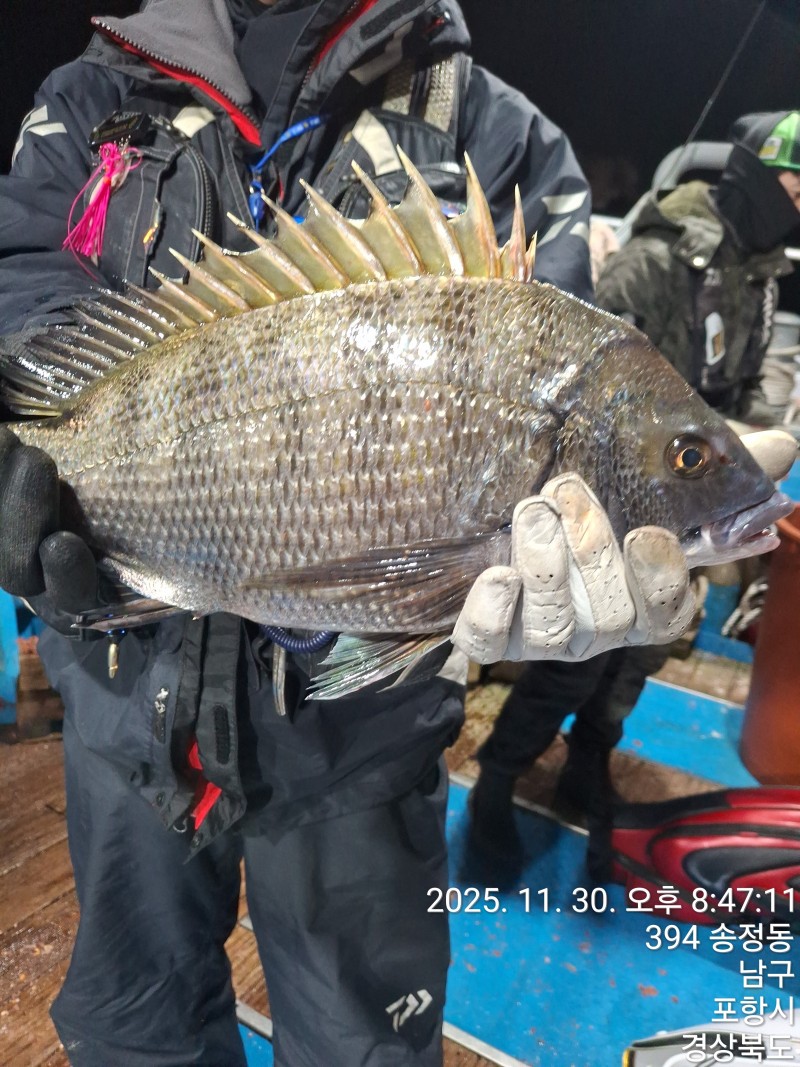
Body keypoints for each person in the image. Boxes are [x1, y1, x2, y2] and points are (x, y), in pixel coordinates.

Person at [0, 3, 759, 1063]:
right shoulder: (88, 101)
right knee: (135, 1025)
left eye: (687, 463)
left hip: (361, 747)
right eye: (686, 461)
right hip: (122, 700)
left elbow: (553, 331)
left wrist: (564, 607)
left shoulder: (496, 133)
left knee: (363, 1043)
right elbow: (22, 279)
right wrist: (25, 456)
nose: (699, 477)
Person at [469, 110, 800, 885]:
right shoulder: (654, 260)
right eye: (796, 187)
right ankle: (495, 779)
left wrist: (747, 447)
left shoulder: (758, 272)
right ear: (760, 178)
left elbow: (751, 375)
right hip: (615, 499)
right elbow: (578, 385)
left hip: (690, 503)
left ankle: (589, 758)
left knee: (641, 654)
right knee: (577, 655)